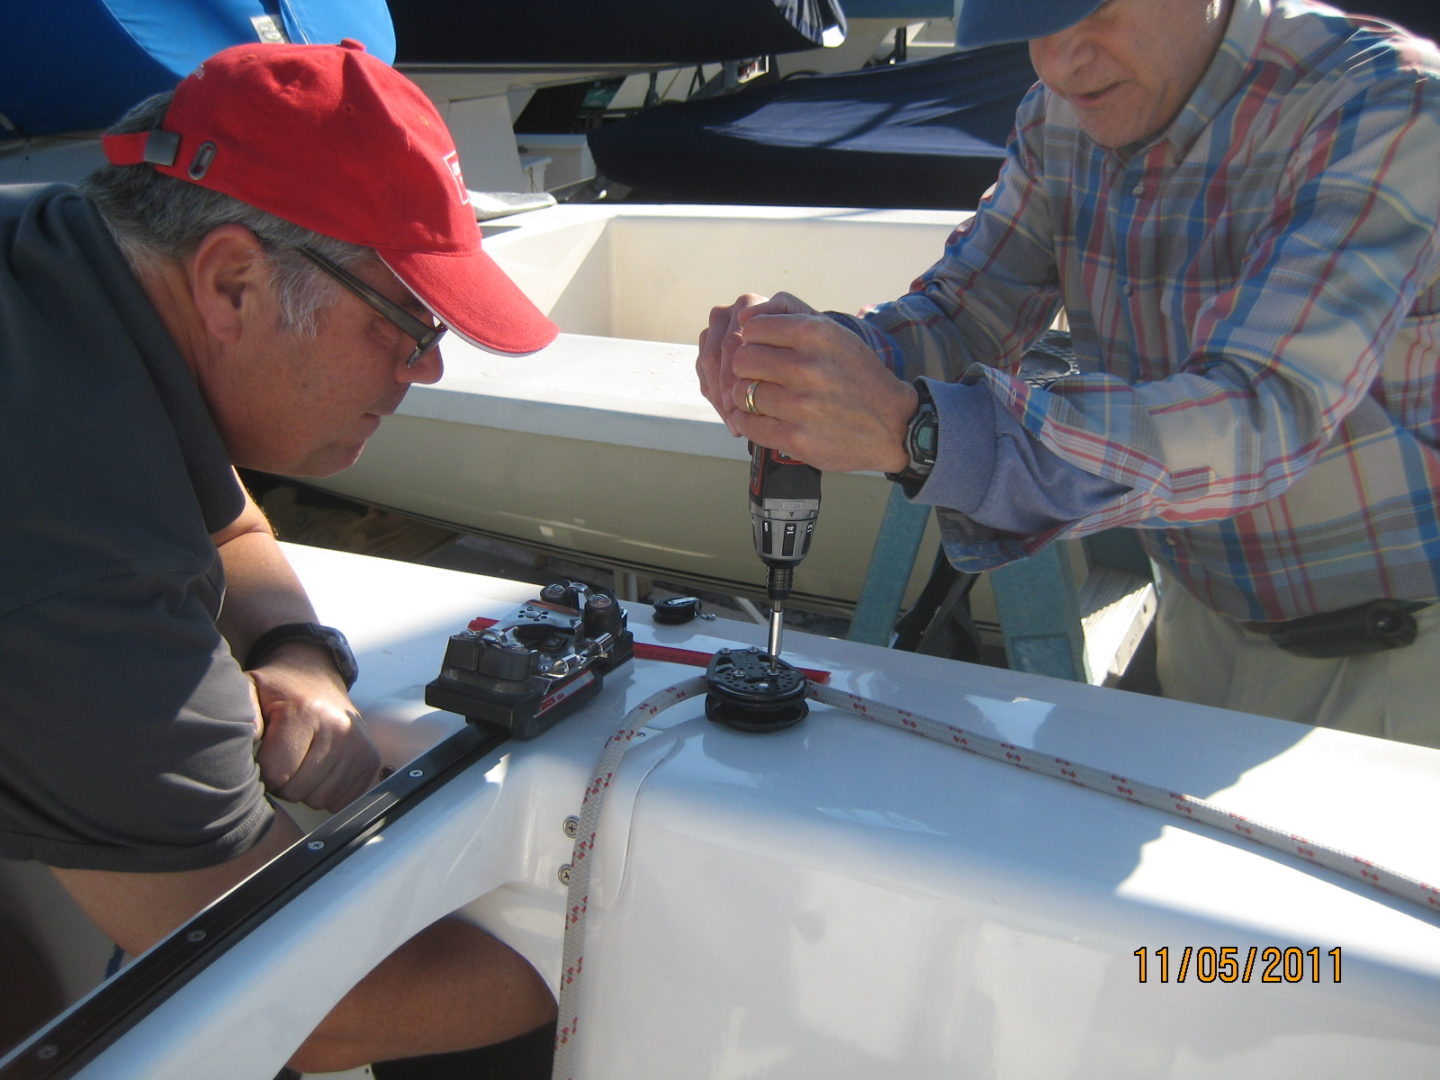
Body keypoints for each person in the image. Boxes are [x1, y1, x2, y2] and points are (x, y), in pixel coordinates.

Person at [0, 40, 560, 1073]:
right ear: (232, 283)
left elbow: (228, 525)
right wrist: (597, 960)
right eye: (408, 320)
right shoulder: (84, 563)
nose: (428, 368)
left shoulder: (66, 252)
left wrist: (297, 648)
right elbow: (290, 999)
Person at [697, 0, 1440, 749]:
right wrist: (816, 355)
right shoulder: (1061, 116)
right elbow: (968, 311)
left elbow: (1259, 415)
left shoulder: (1388, 103)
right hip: (1197, 621)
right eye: (1032, 24)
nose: (1059, 61)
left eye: (1097, 11)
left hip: (1399, 663)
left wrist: (913, 432)